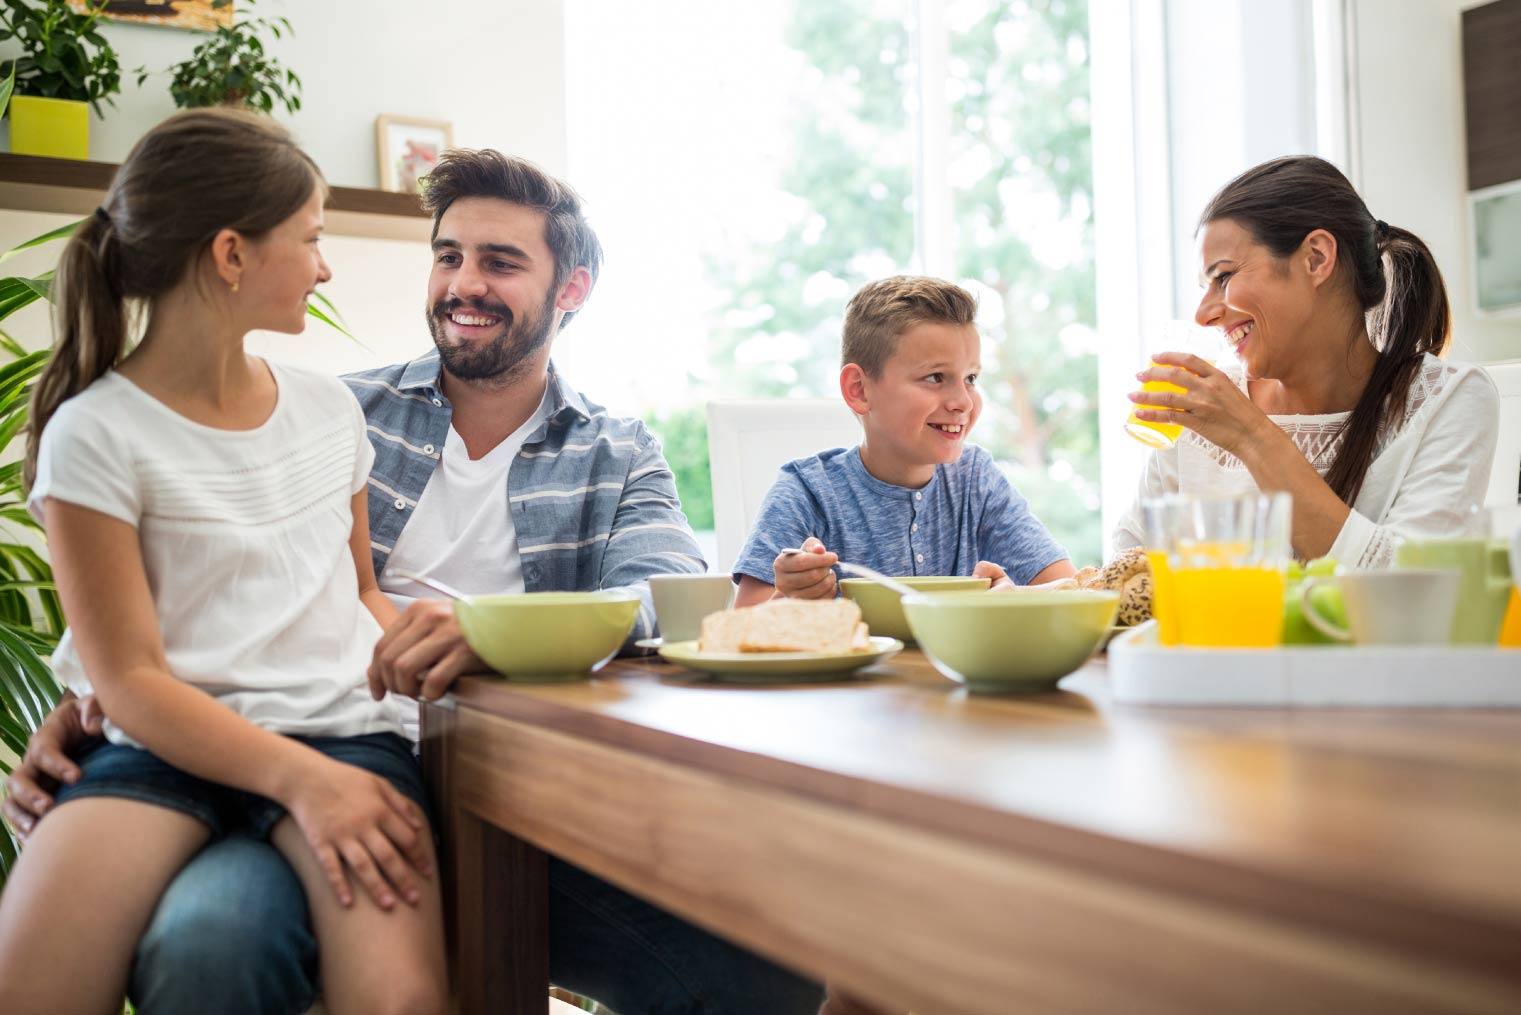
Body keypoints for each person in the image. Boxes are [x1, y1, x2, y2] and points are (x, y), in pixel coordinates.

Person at [5, 148, 827, 1015]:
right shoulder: (329, 408)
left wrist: (494, 630)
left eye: (500, 262)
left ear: (572, 289)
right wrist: (95, 690)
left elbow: (662, 600)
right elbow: (206, 585)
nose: (462, 283)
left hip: (510, 795)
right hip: (312, 744)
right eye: (447, 256)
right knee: (215, 945)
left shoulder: (617, 451)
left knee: (760, 977)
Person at [0, 110, 447, 1014]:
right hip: (164, 750)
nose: (326, 266)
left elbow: (359, 587)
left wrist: (455, 645)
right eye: (313, 238)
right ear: (231, 255)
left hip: (344, 738)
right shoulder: (95, 433)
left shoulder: (330, 413)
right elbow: (127, 678)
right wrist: (303, 782)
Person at [1114, 156, 1500, 564]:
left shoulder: (1449, 400)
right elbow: (1128, 568)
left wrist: (1251, 437)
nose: (1203, 313)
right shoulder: (1203, 411)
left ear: (1316, 258)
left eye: (1223, 277)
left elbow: (1413, 599)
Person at [733, 275, 1074, 607]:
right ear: (859, 390)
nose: (963, 402)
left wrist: (1017, 598)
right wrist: (788, 600)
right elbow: (740, 628)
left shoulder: (975, 480)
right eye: (936, 377)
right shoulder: (807, 491)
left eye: (970, 378)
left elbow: (1073, 589)